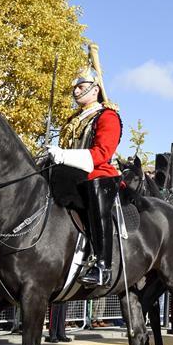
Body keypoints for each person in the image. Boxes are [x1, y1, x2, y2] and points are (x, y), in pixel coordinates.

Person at [48, 43, 122, 287]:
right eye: (75, 87)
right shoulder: (72, 119)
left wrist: (63, 156)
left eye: (81, 86)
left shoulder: (107, 116)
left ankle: (103, 266)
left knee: (95, 194)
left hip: (97, 173)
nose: (75, 90)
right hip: (68, 172)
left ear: (95, 88)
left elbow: (101, 153)